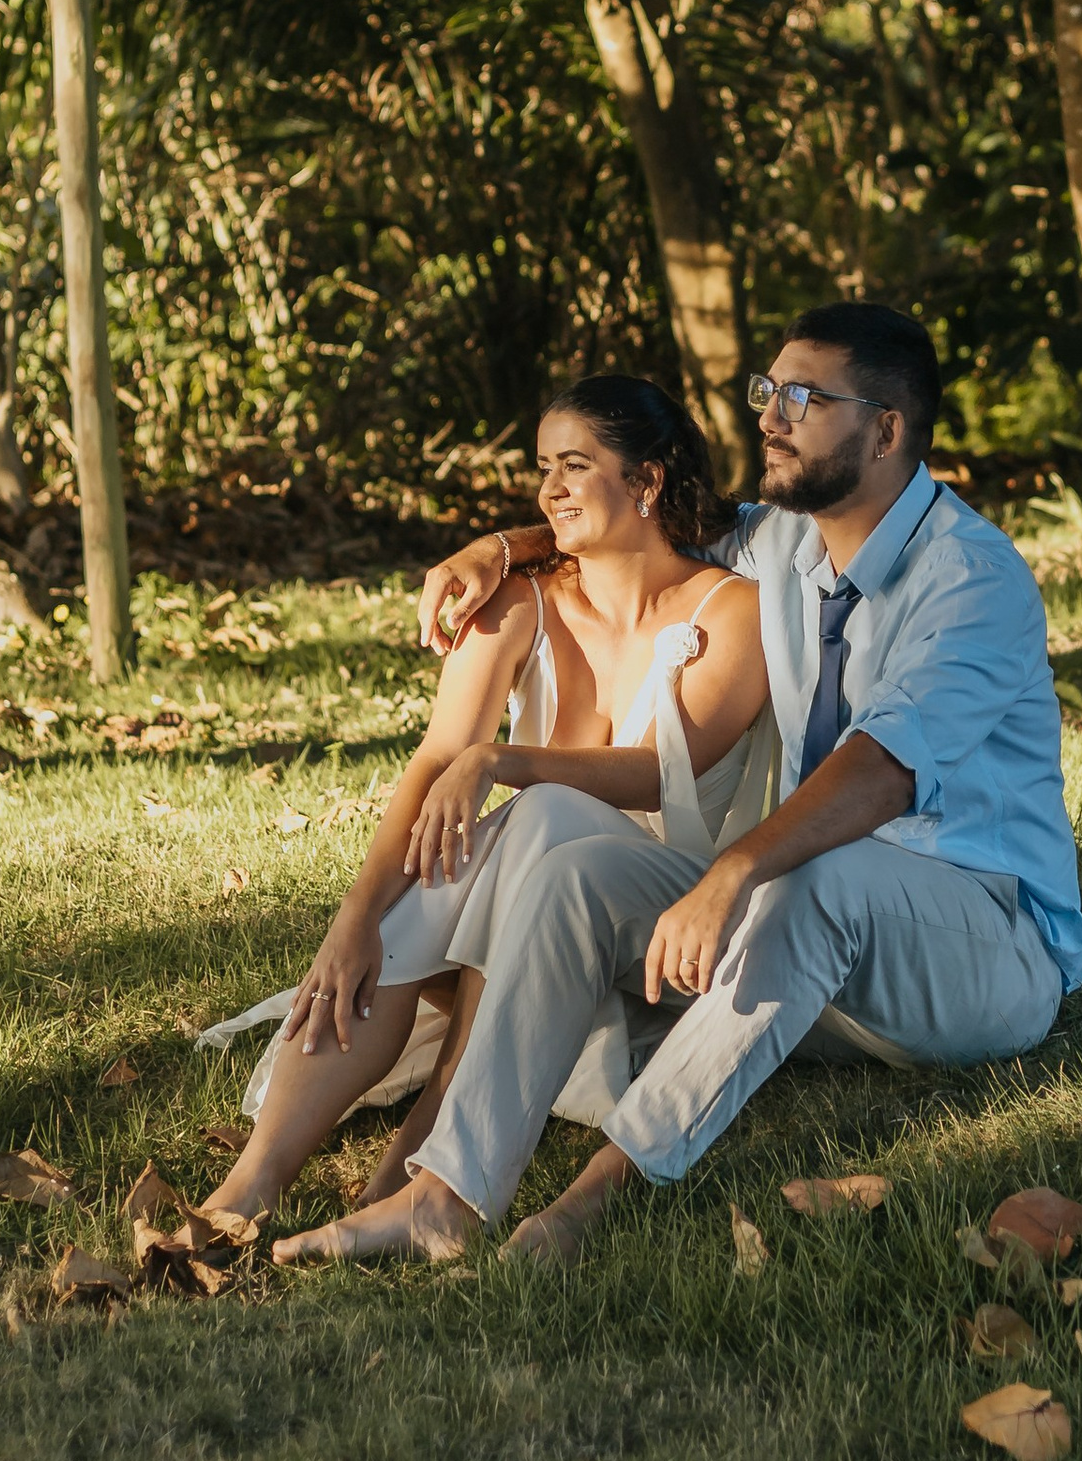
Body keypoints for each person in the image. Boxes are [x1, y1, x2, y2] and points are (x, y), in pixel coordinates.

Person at [277, 300, 1082, 1268]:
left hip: (980, 945)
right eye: (766, 392)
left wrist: (728, 870)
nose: (769, 416)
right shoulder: (781, 542)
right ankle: (444, 1197)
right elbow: (641, 522)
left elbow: (880, 775)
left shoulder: (969, 579)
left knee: (805, 878)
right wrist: (502, 546)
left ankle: (585, 1204)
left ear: (885, 431)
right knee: (577, 873)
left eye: (802, 397)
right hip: (817, 955)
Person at [196, 378, 770, 1234]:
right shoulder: (520, 600)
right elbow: (435, 759)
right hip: (511, 901)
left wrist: (500, 759)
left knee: (544, 812)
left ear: (646, 482)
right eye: (544, 469)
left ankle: (431, 1123)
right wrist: (354, 919)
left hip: (664, 912)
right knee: (464, 863)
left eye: (576, 466)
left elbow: (659, 774)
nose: (550, 491)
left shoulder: (734, 611)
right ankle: (253, 1181)